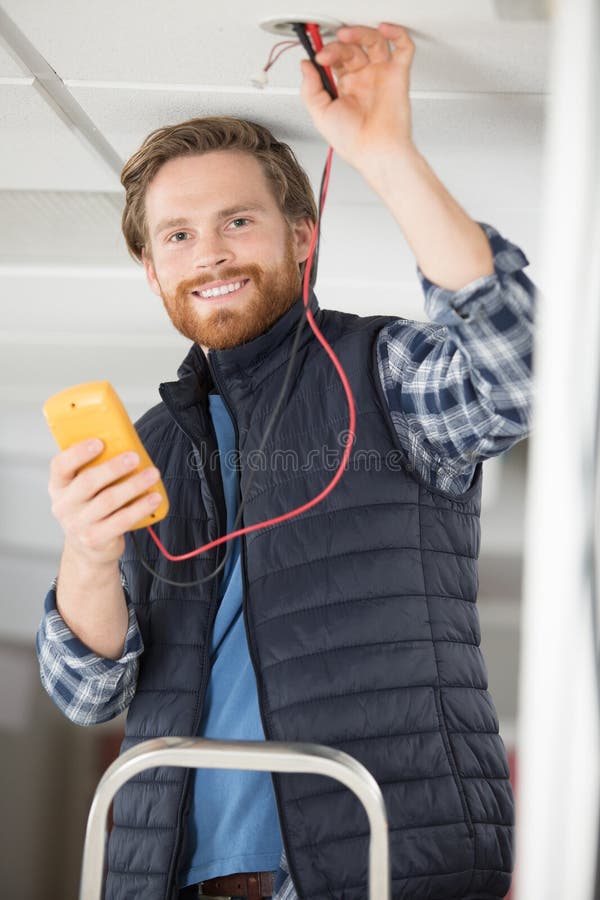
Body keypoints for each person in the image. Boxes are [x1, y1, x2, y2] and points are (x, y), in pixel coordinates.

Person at [36, 22, 535, 900]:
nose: (212, 253)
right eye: (178, 236)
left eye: (238, 221)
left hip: (377, 863)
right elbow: (84, 691)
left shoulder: (381, 376)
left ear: (302, 238)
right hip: (169, 879)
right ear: (152, 272)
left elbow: (517, 368)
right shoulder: (149, 443)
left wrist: (384, 152)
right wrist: (87, 554)